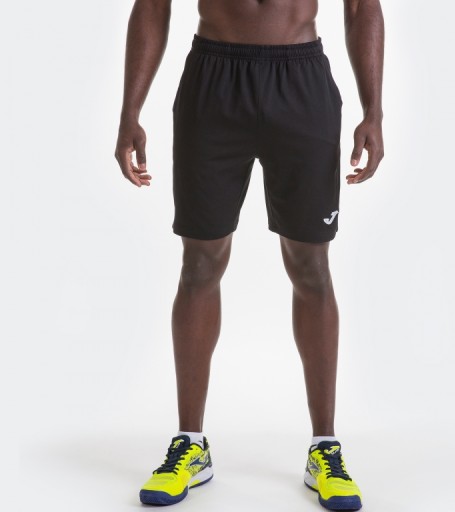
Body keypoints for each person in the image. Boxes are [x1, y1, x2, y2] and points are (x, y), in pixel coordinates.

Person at [114, 0, 384, 509]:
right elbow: (152, 5)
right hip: (214, 80)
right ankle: (190, 443)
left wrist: (374, 109)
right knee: (199, 266)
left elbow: (360, 7)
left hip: (301, 81)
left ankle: (325, 447)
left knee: (312, 268)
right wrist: (131, 110)